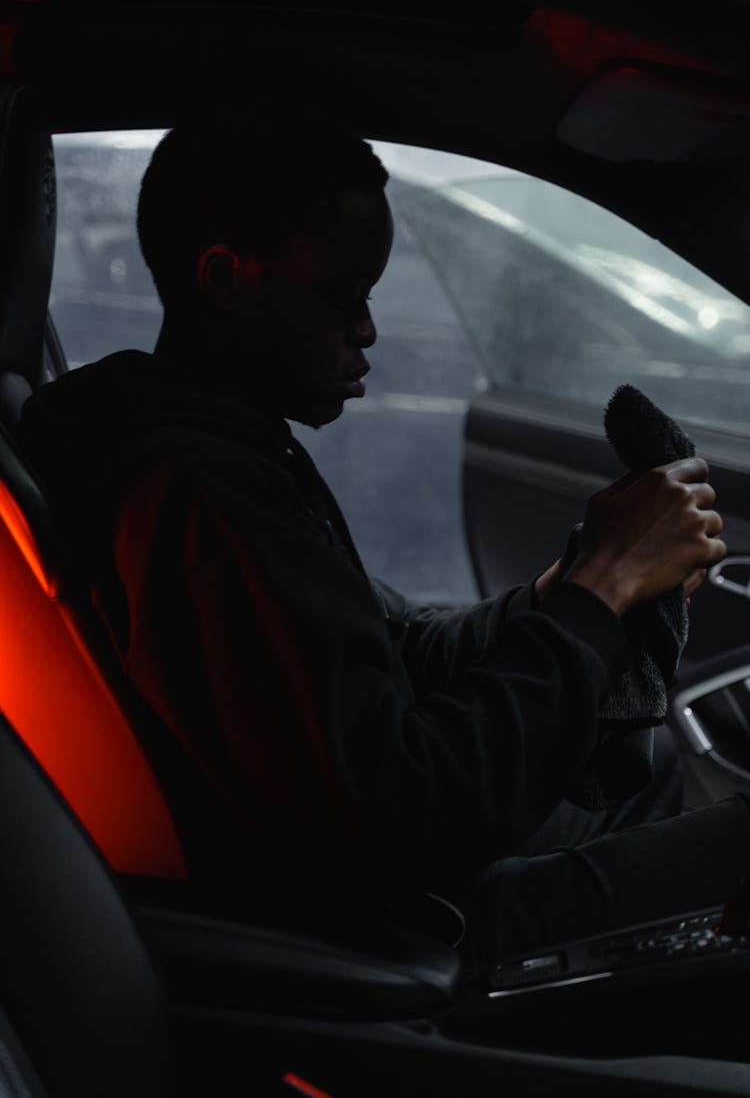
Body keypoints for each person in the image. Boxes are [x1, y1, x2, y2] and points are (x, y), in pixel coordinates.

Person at [17, 113, 750, 965]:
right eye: (340, 295)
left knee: (648, 763)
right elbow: (408, 810)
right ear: (224, 277)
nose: (366, 329)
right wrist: (600, 593)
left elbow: (385, 643)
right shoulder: (196, 493)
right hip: (375, 935)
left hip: (369, 869)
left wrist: (566, 591)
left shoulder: (219, 443)